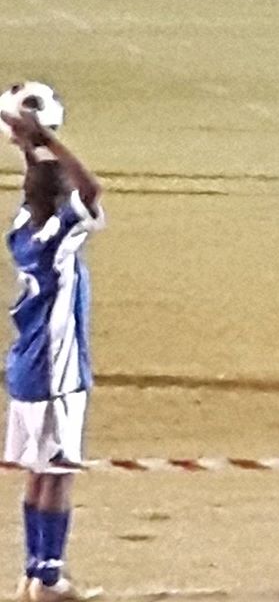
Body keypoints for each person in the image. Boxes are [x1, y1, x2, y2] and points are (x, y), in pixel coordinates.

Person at [2, 92, 105, 601]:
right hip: (57, 371)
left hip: (24, 369)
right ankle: (48, 579)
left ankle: (30, 574)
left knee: (37, 474)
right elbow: (92, 187)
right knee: (59, 477)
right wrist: (47, 140)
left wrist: (27, 146)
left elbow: (37, 190)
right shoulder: (63, 238)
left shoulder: (21, 232)